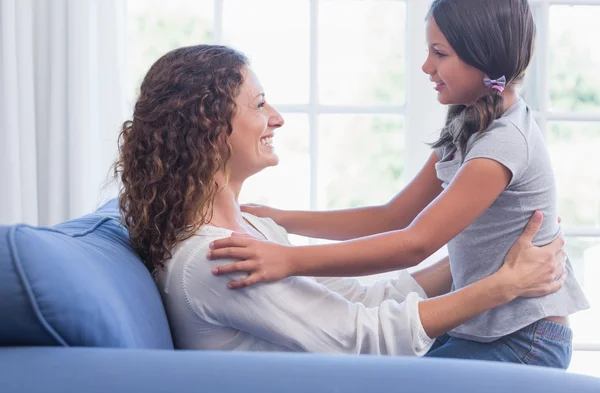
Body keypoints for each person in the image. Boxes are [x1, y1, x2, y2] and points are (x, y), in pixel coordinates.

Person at [114, 44, 566, 357]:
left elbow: (368, 300)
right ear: (208, 127)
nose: (277, 118)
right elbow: (363, 338)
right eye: (259, 106)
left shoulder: (255, 233)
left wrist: (492, 256)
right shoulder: (216, 260)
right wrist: (501, 286)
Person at [208, 0, 589, 368]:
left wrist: (288, 260)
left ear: (483, 55)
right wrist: (281, 218)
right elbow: (393, 215)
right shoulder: (468, 122)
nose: (426, 66)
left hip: (525, 341)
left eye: (439, 53)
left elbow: (416, 244)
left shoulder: (502, 145)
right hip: (480, 331)